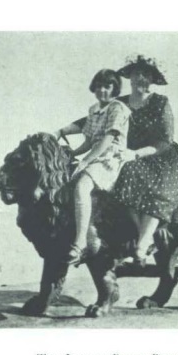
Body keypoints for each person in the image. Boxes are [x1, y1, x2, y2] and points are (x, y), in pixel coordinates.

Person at [113, 55, 178, 265]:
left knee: (140, 176)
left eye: (145, 74)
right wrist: (64, 131)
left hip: (161, 159)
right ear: (130, 77)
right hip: (130, 158)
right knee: (122, 174)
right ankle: (146, 237)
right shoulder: (119, 103)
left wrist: (136, 153)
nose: (140, 78)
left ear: (152, 79)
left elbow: (165, 141)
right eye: (136, 74)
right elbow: (96, 120)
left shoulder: (160, 103)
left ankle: (141, 244)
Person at [50, 69, 130, 265]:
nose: (103, 90)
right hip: (95, 155)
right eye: (99, 86)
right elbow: (89, 142)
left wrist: (85, 161)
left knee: (82, 185)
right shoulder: (93, 109)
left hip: (111, 157)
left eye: (107, 86)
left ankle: (80, 243)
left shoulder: (118, 108)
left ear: (115, 88)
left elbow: (108, 139)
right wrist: (73, 154)